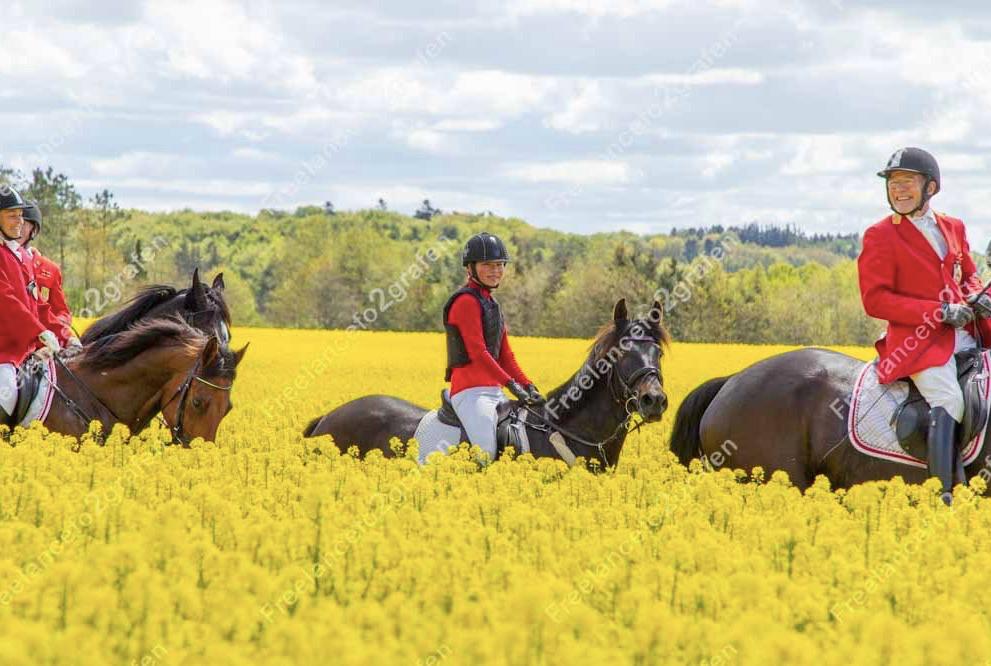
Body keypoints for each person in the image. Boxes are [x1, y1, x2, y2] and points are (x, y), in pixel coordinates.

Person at [858, 147, 991, 505]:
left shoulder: (953, 226)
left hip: (965, 333)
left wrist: (977, 297)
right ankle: (943, 494)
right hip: (917, 343)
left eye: (907, 183)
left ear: (930, 187)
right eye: (893, 184)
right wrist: (938, 312)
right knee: (948, 398)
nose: (898, 190)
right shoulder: (880, 235)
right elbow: (876, 300)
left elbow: (968, 275)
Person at [443, 232, 542, 459]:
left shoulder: (492, 304)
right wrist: (511, 384)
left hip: (494, 393)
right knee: (486, 452)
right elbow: (479, 353)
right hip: (470, 394)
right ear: (471, 268)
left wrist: (528, 385)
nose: (495, 270)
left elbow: (506, 355)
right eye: (487, 264)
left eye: (500, 264)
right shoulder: (465, 302)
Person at [0, 186, 62, 421]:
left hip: (24, 352)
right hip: (3, 352)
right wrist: (40, 332)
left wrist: (63, 335)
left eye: (20, 215)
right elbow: (7, 301)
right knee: (5, 390)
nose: (19, 221)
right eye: (12, 215)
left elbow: (38, 305)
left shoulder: (21, 256)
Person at [19, 201, 79, 348]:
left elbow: (60, 310)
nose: (17, 227)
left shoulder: (50, 269)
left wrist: (61, 327)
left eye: (23, 223)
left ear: (34, 229)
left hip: (44, 341)